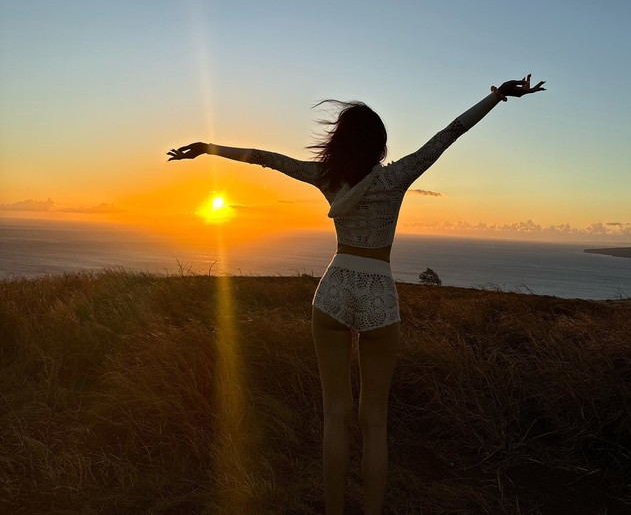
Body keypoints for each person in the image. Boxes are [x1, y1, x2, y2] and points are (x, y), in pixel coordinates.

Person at [167, 74, 546, 514]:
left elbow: (264, 159)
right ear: (380, 145)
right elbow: (451, 133)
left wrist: (209, 149)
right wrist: (497, 96)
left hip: (332, 293)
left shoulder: (326, 178)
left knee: (335, 415)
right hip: (378, 297)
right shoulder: (398, 177)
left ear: (340, 142)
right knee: (374, 422)